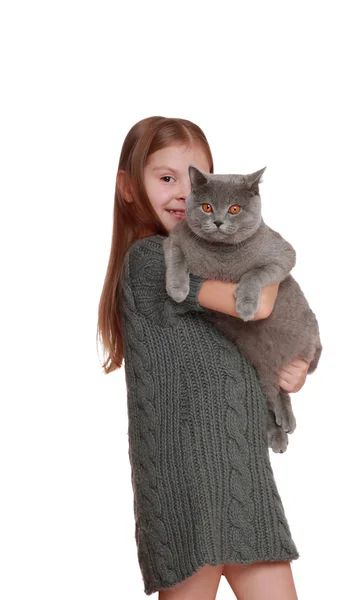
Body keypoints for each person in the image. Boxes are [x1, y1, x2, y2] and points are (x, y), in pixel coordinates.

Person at [97, 116, 310, 600]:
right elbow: (257, 303)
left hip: (240, 466)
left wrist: (286, 372)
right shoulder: (151, 259)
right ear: (129, 188)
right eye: (165, 177)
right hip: (187, 477)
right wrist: (266, 252)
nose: (181, 192)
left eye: (194, 179)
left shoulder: (204, 261)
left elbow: (241, 347)